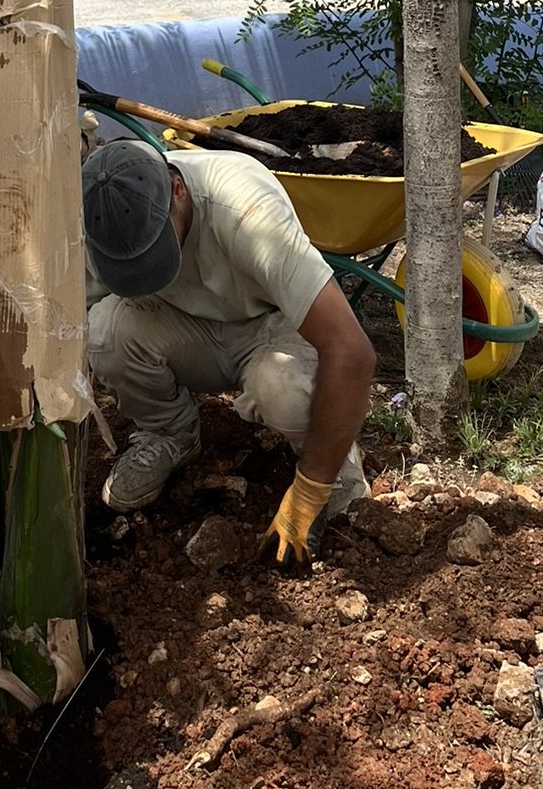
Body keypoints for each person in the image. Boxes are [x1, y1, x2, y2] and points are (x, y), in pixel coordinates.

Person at [82, 138, 376, 565]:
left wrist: (311, 489)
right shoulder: (96, 220)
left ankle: (334, 465)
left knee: (283, 388)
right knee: (105, 332)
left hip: (269, 326)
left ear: (177, 189)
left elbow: (352, 352)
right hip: (183, 326)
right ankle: (171, 435)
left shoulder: (246, 212)